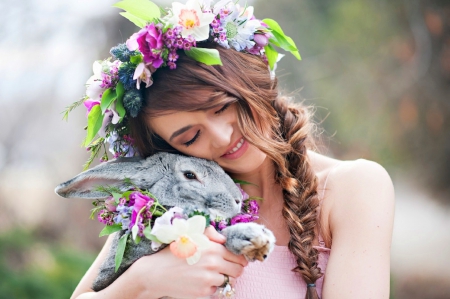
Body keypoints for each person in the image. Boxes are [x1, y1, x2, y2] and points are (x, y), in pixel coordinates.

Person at [69, 1, 395, 298]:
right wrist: (142, 280)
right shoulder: (172, 200)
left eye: (222, 106)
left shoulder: (353, 188)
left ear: (250, 81)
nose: (222, 137)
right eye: (191, 136)